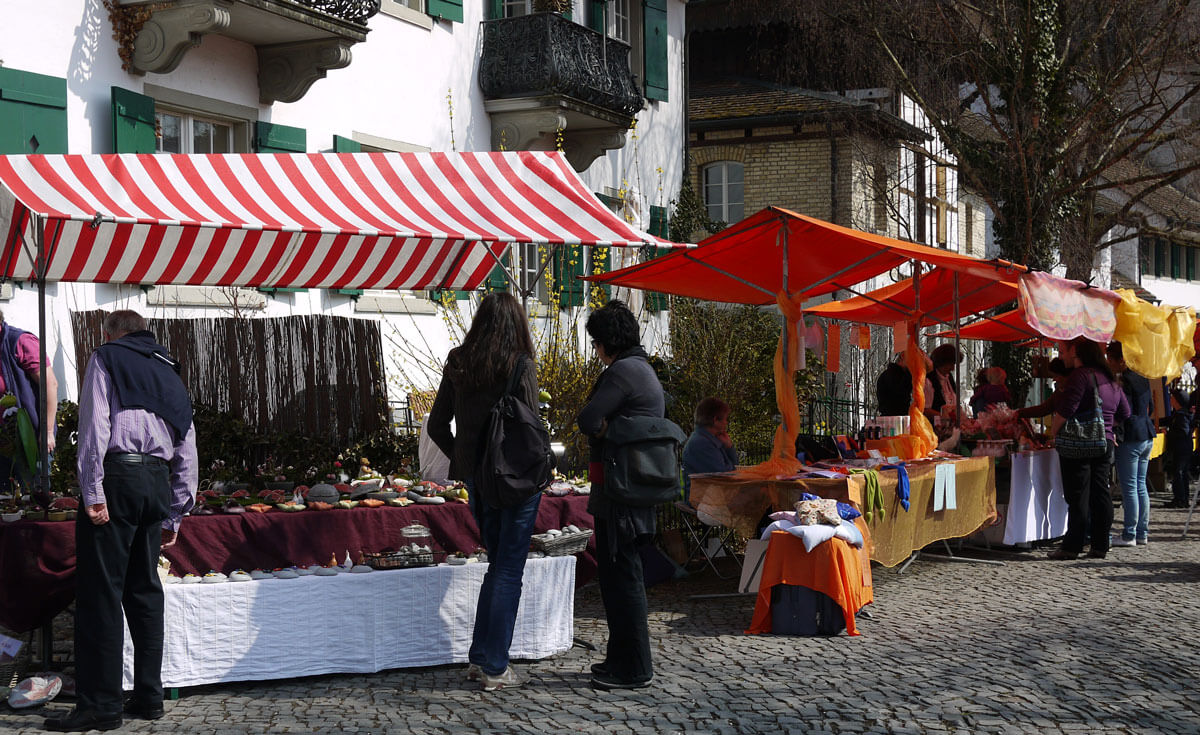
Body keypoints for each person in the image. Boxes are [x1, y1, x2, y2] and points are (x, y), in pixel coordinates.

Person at [45, 310, 197, 732]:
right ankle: (149, 697)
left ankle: (101, 706)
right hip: (156, 483)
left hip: (118, 477)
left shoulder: (107, 356)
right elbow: (187, 442)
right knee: (145, 590)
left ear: (110, 333)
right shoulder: (169, 369)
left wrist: (92, 491)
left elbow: (94, 426)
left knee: (101, 593)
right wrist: (178, 508)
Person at [427, 292, 541, 692]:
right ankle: (495, 666)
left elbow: (437, 425)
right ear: (518, 325)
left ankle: (481, 659)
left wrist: (464, 462)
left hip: (478, 479)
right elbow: (530, 428)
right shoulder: (520, 365)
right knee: (508, 569)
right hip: (515, 480)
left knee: (498, 566)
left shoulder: (459, 361)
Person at [577, 300, 663, 691]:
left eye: (596, 342)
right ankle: (620, 659)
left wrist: (606, 427)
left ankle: (633, 667)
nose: (595, 350)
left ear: (606, 341)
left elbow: (588, 419)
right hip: (633, 485)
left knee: (622, 576)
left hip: (620, 488)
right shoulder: (641, 367)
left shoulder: (623, 371)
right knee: (620, 574)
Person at [1046, 337, 1129, 561]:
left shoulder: (1080, 376)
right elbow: (1125, 412)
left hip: (1079, 444)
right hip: (1105, 443)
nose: (1065, 355)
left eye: (1068, 351)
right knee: (1101, 494)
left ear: (1078, 353)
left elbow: (1067, 408)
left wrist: (1054, 431)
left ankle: (1072, 546)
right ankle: (1100, 545)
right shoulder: (1110, 379)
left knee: (1077, 496)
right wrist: (1109, 429)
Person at [0, 309, 59, 492]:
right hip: (4, 442)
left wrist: (47, 431)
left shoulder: (21, 342)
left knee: (34, 500)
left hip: (30, 441)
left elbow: (50, 384)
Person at [1106, 342, 1154, 546]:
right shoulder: (1143, 378)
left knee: (1130, 487)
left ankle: (1129, 534)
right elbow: (1150, 406)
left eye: (1110, 359)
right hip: (1146, 434)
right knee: (1140, 486)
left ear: (1121, 361)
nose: (1108, 363)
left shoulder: (1124, 381)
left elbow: (1122, 411)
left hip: (1132, 437)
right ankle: (1141, 532)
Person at [681, 397, 738, 503]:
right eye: (725, 419)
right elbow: (726, 475)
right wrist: (730, 450)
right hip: (704, 501)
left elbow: (732, 469)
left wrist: (729, 447)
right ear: (715, 420)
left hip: (711, 497)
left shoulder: (709, 439)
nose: (726, 423)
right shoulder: (701, 443)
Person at [1165, 379, 1195, 509]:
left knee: (1179, 473)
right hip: (1183, 447)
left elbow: (1183, 432)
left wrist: (1169, 434)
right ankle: (1181, 498)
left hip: (1182, 447)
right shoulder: (1179, 414)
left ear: (1177, 401)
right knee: (1180, 473)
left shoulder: (1182, 415)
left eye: (1172, 397)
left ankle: (1181, 499)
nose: (1170, 399)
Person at [926, 343, 963, 421]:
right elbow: (924, 410)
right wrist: (945, 417)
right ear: (941, 362)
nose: (953, 368)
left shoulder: (949, 378)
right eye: (951, 364)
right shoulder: (928, 380)